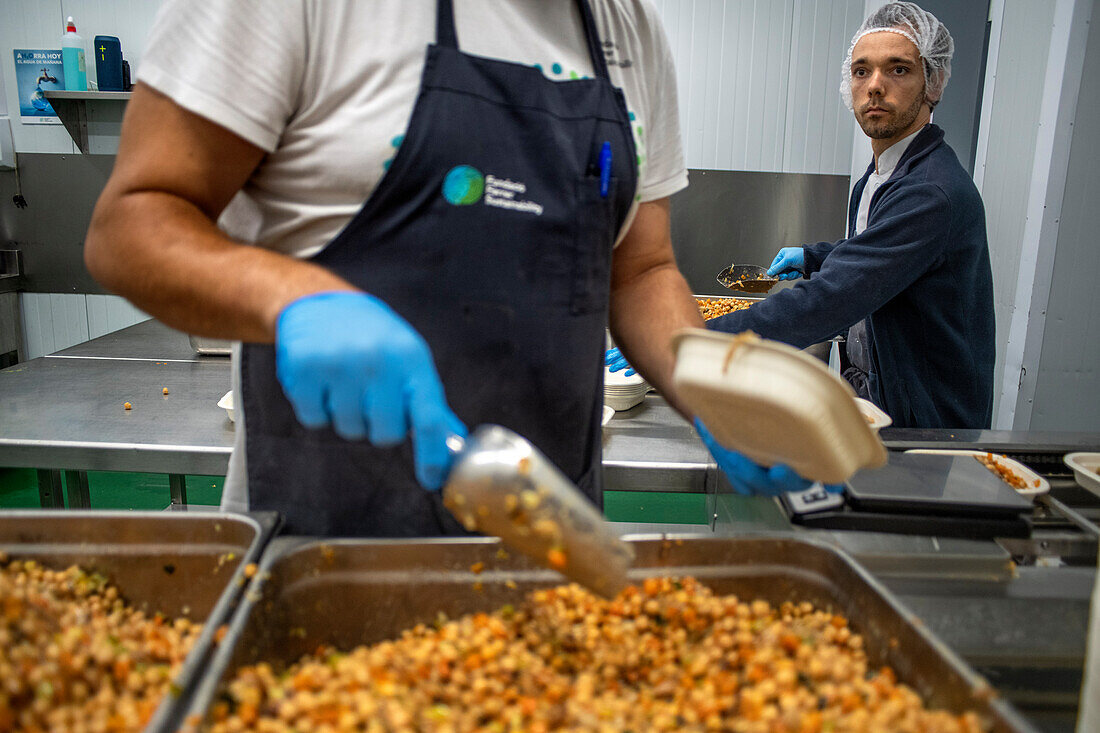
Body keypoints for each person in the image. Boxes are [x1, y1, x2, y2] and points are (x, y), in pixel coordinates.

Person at [86, 0, 782, 536]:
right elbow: (131, 223)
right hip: (326, 545)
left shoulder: (627, 28)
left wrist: (710, 381)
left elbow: (641, 268)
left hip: (547, 540)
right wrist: (293, 298)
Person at [707, 2, 995, 430]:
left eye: (898, 69)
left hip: (924, 425)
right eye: (861, 71)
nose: (874, 86)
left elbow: (831, 301)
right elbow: (882, 249)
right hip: (877, 395)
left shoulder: (931, 192)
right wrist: (814, 256)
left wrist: (696, 340)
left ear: (932, 83)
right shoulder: (884, 174)